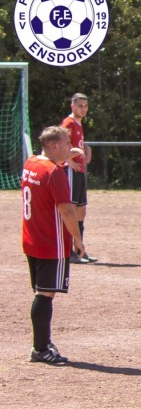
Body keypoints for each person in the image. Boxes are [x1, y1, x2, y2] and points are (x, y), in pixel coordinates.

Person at [22, 126, 85, 363]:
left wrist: (64, 158)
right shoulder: (54, 173)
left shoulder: (31, 163)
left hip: (32, 239)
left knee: (41, 291)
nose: (71, 146)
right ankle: (40, 348)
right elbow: (67, 210)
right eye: (67, 143)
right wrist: (77, 239)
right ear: (55, 146)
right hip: (51, 242)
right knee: (45, 294)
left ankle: (42, 344)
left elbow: (46, 171)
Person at [61, 92, 98, 263]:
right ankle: (68, 251)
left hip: (80, 171)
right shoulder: (68, 122)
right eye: (80, 106)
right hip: (71, 171)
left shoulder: (78, 124)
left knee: (81, 210)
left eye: (85, 106)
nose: (83, 109)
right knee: (72, 208)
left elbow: (76, 143)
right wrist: (67, 159)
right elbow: (59, 143)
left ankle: (79, 249)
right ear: (72, 106)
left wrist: (87, 148)